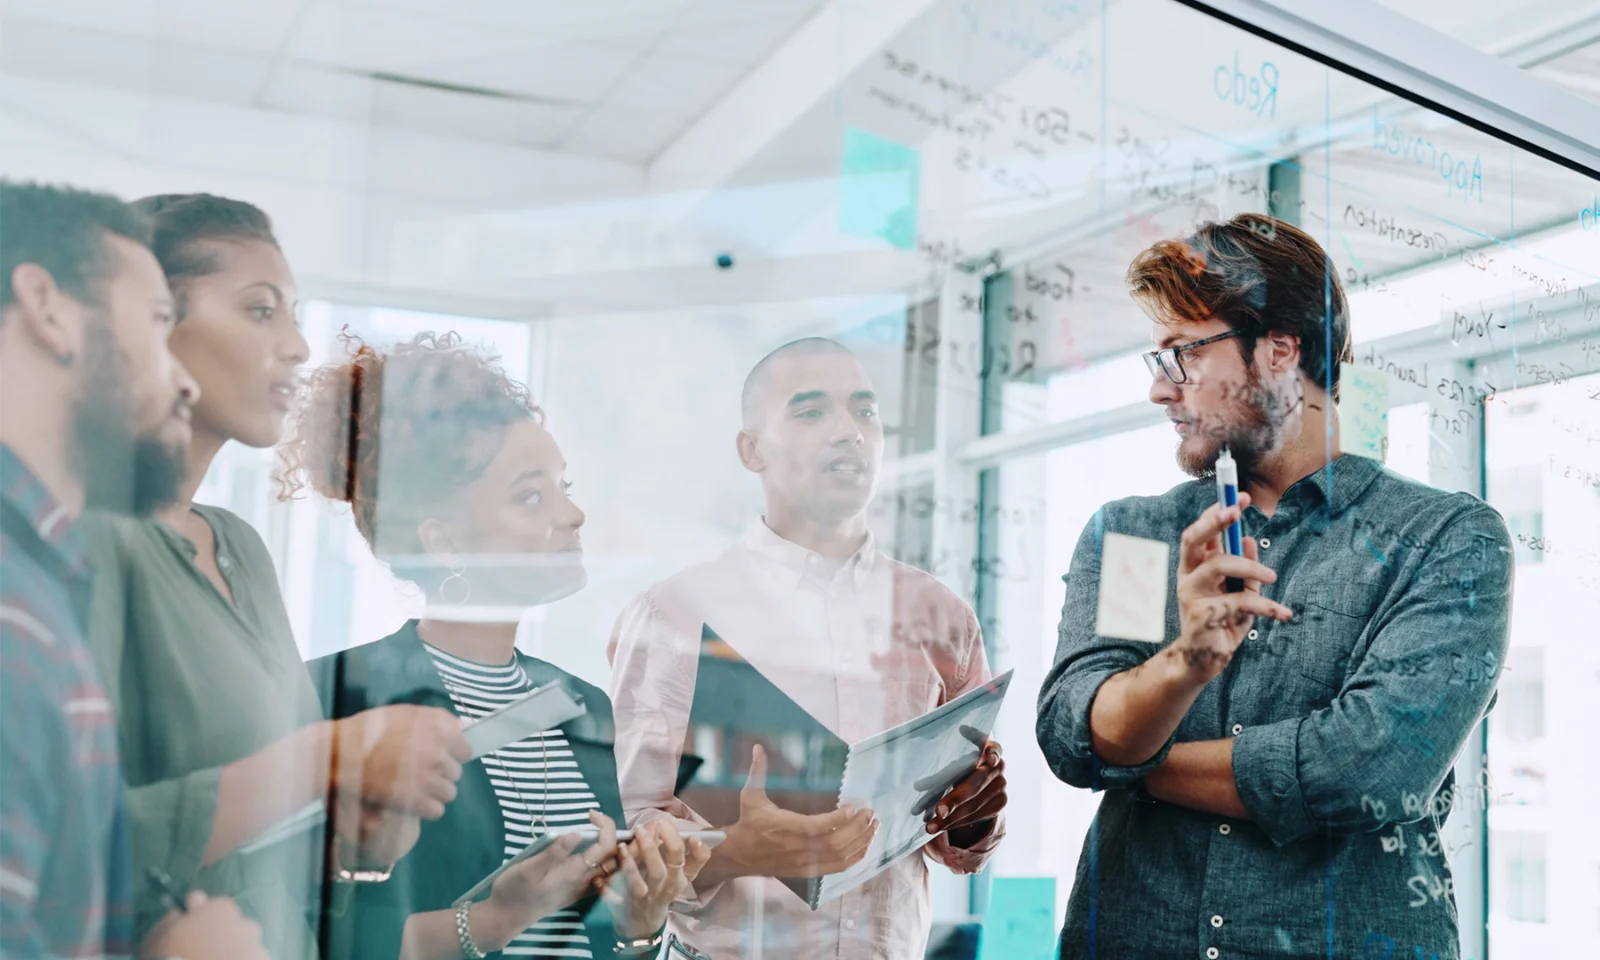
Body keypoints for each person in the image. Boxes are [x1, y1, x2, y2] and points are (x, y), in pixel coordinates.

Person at [1035, 214, 1512, 960]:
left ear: (1282, 350)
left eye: (1183, 355)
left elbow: (1366, 772)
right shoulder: (1132, 536)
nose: (1163, 391)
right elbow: (1078, 736)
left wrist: (1139, 764)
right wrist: (1184, 662)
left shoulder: (1446, 540)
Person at [80, 194, 472, 959]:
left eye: (293, 313)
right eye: (261, 311)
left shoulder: (239, 547)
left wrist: (357, 835)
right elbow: (65, 839)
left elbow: (272, 836)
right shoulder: (80, 540)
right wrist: (329, 759)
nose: (297, 345)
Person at [284, 331, 711, 960]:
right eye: (532, 496)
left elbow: (599, 943)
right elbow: (309, 941)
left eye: (564, 486)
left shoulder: (580, 703)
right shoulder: (346, 698)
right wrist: (496, 918)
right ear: (444, 541)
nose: (573, 515)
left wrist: (641, 926)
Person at [608, 337, 1009, 959]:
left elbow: (954, 846)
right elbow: (628, 842)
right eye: (810, 411)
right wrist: (737, 847)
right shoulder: (676, 613)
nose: (849, 431)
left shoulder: (941, 616)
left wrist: (974, 817)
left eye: (865, 412)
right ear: (751, 449)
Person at [0, 179, 268, 958]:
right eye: (158, 325)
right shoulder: (13, 617)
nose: (181, 378)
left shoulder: (43, 585)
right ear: (47, 307)